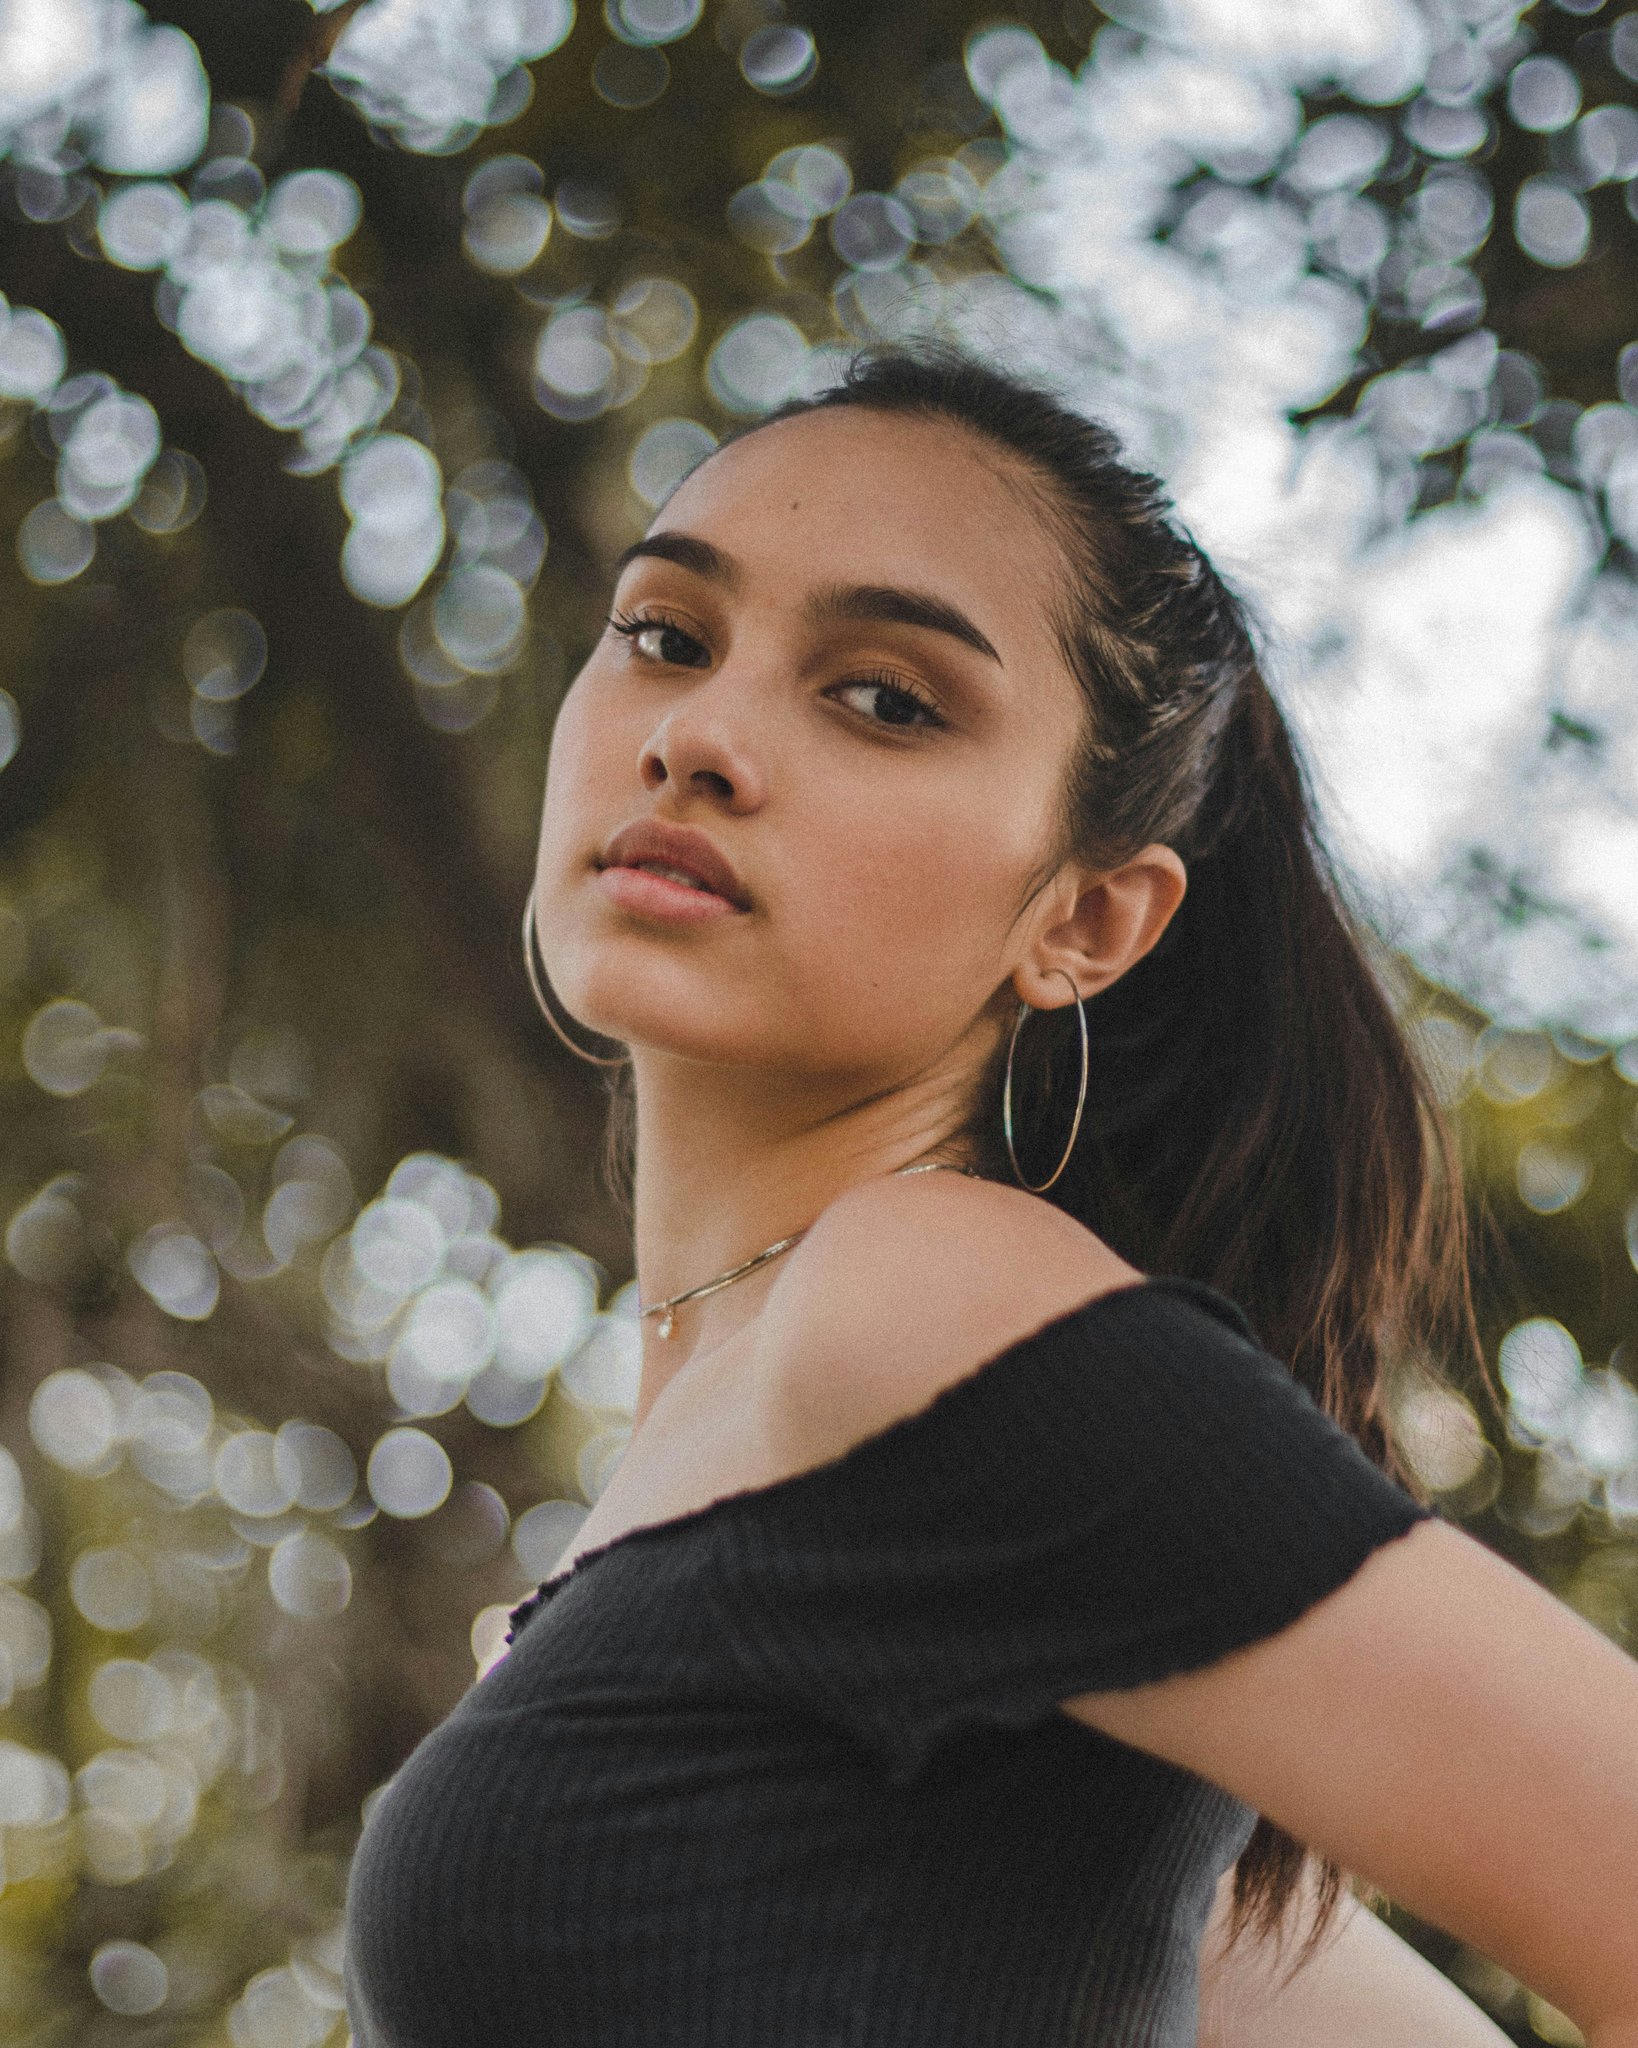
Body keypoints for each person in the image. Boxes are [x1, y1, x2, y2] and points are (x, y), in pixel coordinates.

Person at [341, 344, 1638, 2047]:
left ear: (1082, 921)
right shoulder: (759, 1501)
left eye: (884, 697)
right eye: (666, 635)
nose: (701, 736)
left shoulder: (919, 1313)